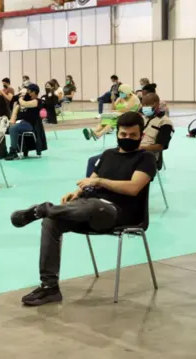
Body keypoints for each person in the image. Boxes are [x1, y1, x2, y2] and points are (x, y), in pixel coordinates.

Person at [11, 112, 157, 306]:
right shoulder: (107, 155)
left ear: (141, 135)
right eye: (123, 135)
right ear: (117, 134)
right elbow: (89, 183)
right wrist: (76, 193)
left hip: (119, 214)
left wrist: (100, 182)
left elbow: (133, 188)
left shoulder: (145, 158)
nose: (127, 139)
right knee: (52, 221)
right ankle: (49, 288)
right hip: (88, 207)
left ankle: (45, 209)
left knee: (94, 205)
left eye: (132, 135)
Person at [85, 93, 173, 176]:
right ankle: (92, 189)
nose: (145, 108)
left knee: (109, 166)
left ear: (156, 104)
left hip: (145, 155)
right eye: (144, 105)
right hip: (127, 149)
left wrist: (140, 148)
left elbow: (160, 146)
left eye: (148, 105)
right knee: (93, 161)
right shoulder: (141, 118)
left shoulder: (165, 122)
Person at [6, 83, 42, 160]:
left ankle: (13, 151)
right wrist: (12, 121)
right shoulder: (24, 100)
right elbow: (15, 111)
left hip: (29, 124)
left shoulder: (37, 101)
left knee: (13, 129)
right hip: (20, 122)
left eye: (29, 90)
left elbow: (24, 104)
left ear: (34, 92)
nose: (27, 92)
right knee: (9, 128)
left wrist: (20, 97)